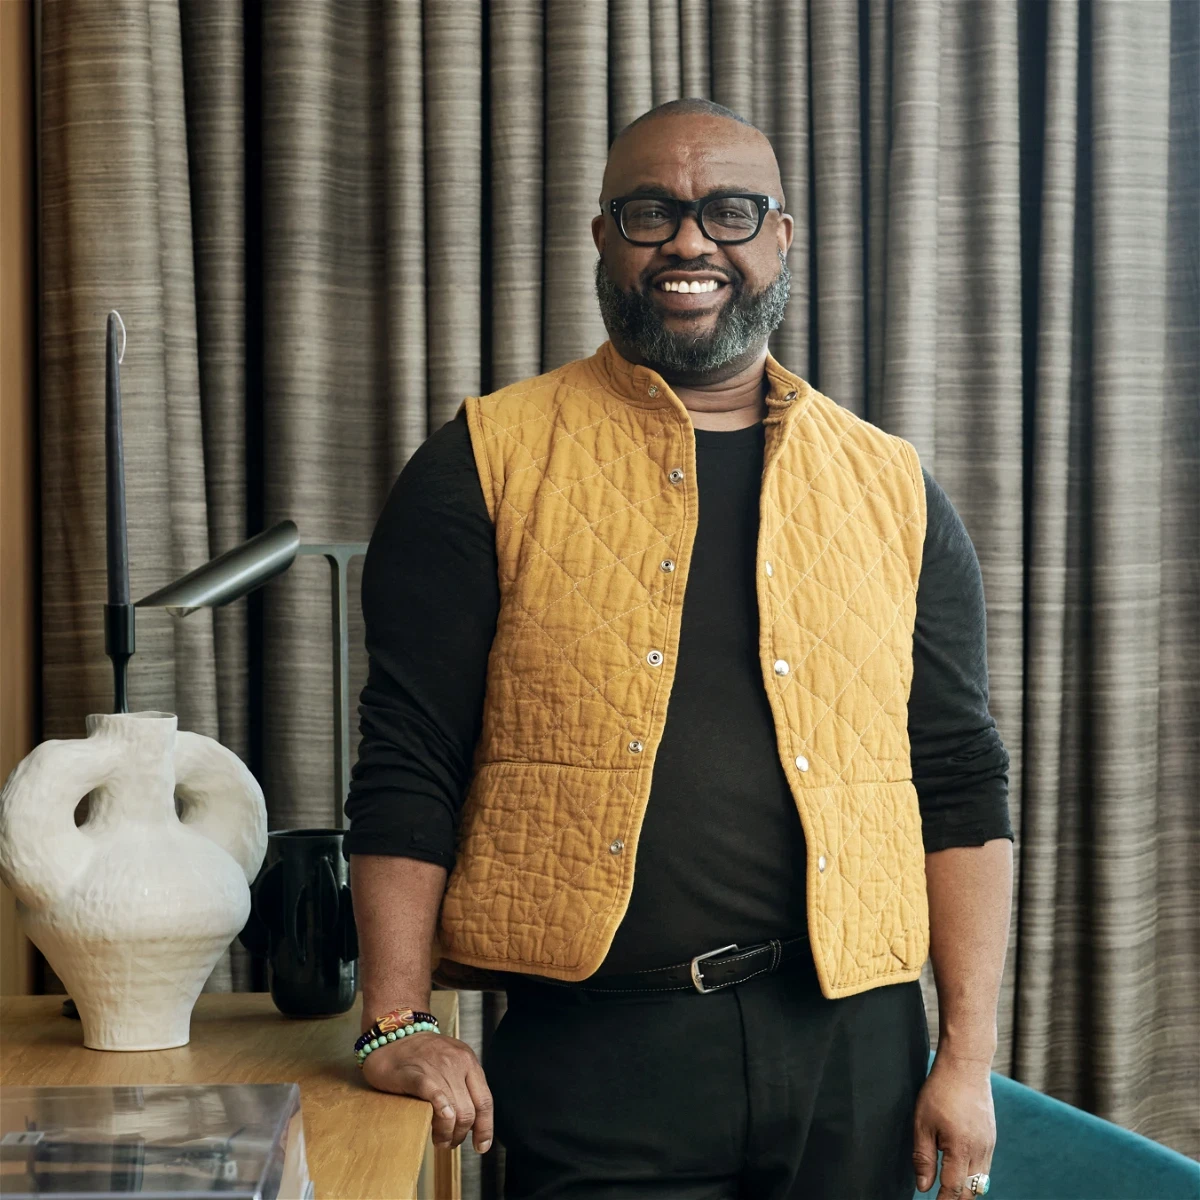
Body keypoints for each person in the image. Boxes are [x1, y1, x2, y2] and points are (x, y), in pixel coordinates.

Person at [344, 98, 1014, 1200]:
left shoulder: (891, 486)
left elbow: (958, 777)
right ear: (604, 237)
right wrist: (394, 1019)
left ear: (781, 237)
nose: (691, 242)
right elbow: (409, 757)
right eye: (651, 213)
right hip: (600, 1056)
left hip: (856, 1053)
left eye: (729, 212)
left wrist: (969, 1058)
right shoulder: (485, 462)